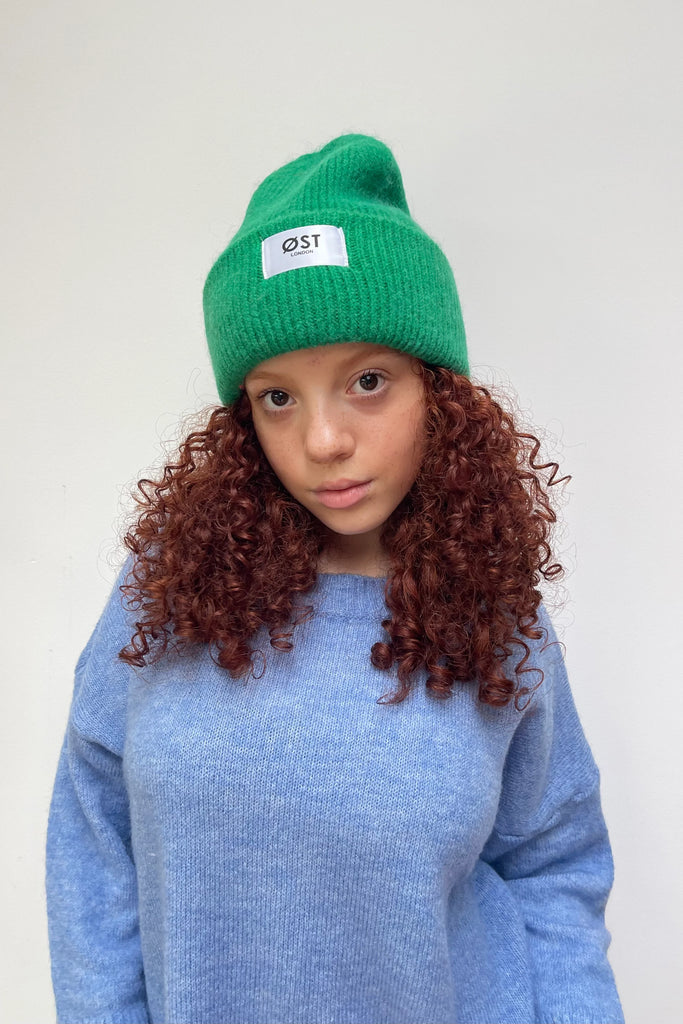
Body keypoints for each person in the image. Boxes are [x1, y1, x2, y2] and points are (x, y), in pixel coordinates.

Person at [46, 134, 624, 1024]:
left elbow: (552, 867)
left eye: (367, 381)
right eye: (277, 397)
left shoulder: (496, 620)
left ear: (439, 392)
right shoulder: (167, 595)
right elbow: (94, 842)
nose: (322, 441)